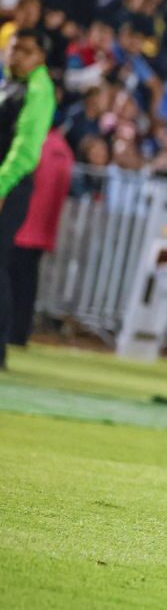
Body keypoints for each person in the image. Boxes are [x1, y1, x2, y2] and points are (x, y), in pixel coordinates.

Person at [0, 29, 55, 370]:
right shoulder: (9, 83)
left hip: (10, 185)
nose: (16, 55)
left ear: (40, 58)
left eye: (26, 50)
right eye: (13, 47)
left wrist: (2, 185)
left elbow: (26, 149)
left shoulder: (38, 88)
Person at [8, 127, 72, 347]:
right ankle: (20, 332)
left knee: (12, 281)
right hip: (42, 230)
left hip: (23, 225)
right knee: (28, 283)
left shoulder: (35, 145)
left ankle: (12, 332)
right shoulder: (63, 150)